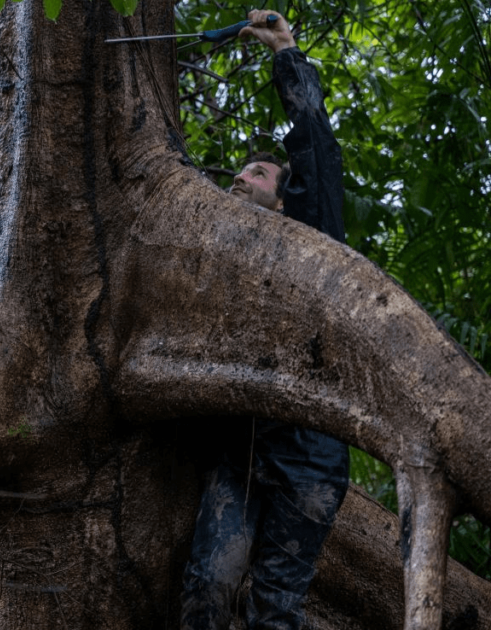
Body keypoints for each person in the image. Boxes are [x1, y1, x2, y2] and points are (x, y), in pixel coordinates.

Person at [179, 11, 350, 630]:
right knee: (207, 587)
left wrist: (285, 51)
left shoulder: (309, 237)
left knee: (276, 609)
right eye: (238, 170)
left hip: (310, 454)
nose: (239, 177)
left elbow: (315, 152)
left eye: (257, 173)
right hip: (238, 451)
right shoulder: (219, 262)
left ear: (283, 197)